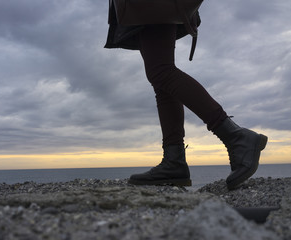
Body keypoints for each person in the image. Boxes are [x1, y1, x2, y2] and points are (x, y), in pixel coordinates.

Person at [104, 1, 268, 190]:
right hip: (144, 8)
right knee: (160, 77)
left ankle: (236, 137)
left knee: (161, 71)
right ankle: (174, 160)